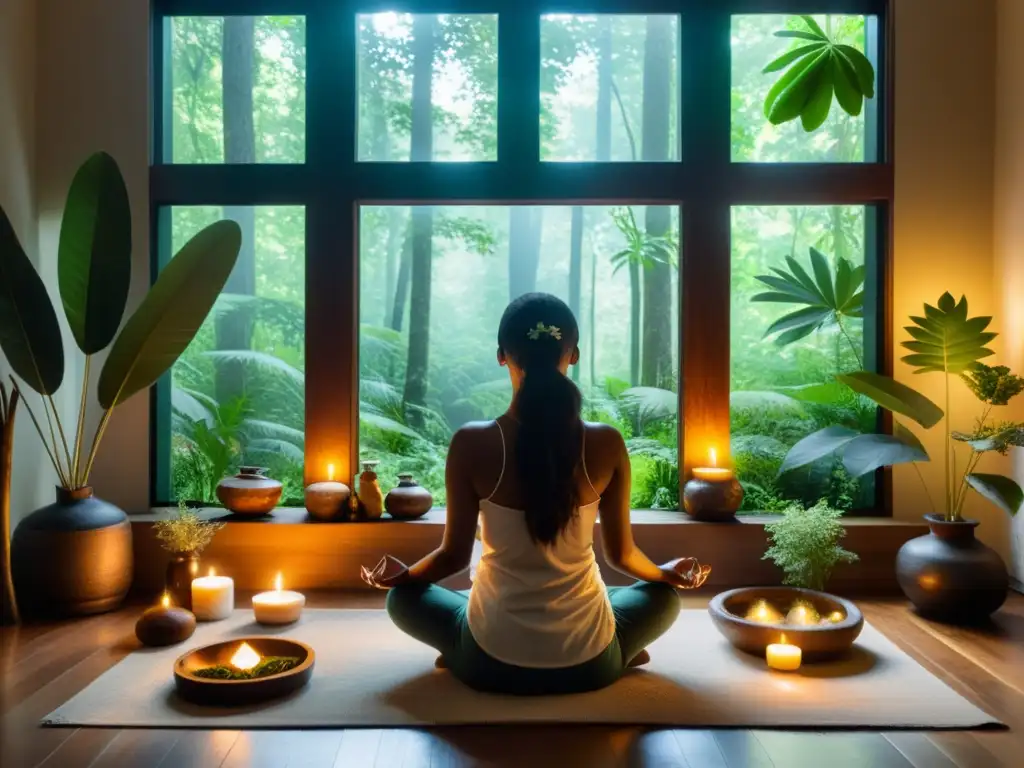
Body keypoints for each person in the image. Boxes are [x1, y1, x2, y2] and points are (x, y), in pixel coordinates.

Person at [363, 293, 710, 695]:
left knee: (402, 600)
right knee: (662, 597)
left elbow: (452, 557)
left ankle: (458, 653)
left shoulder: (472, 443)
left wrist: (401, 577)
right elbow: (622, 556)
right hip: (590, 666)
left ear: (501, 356)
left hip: (488, 664)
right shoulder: (606, 443)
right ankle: (622, 652)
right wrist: (667, 574)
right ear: (573, 354)